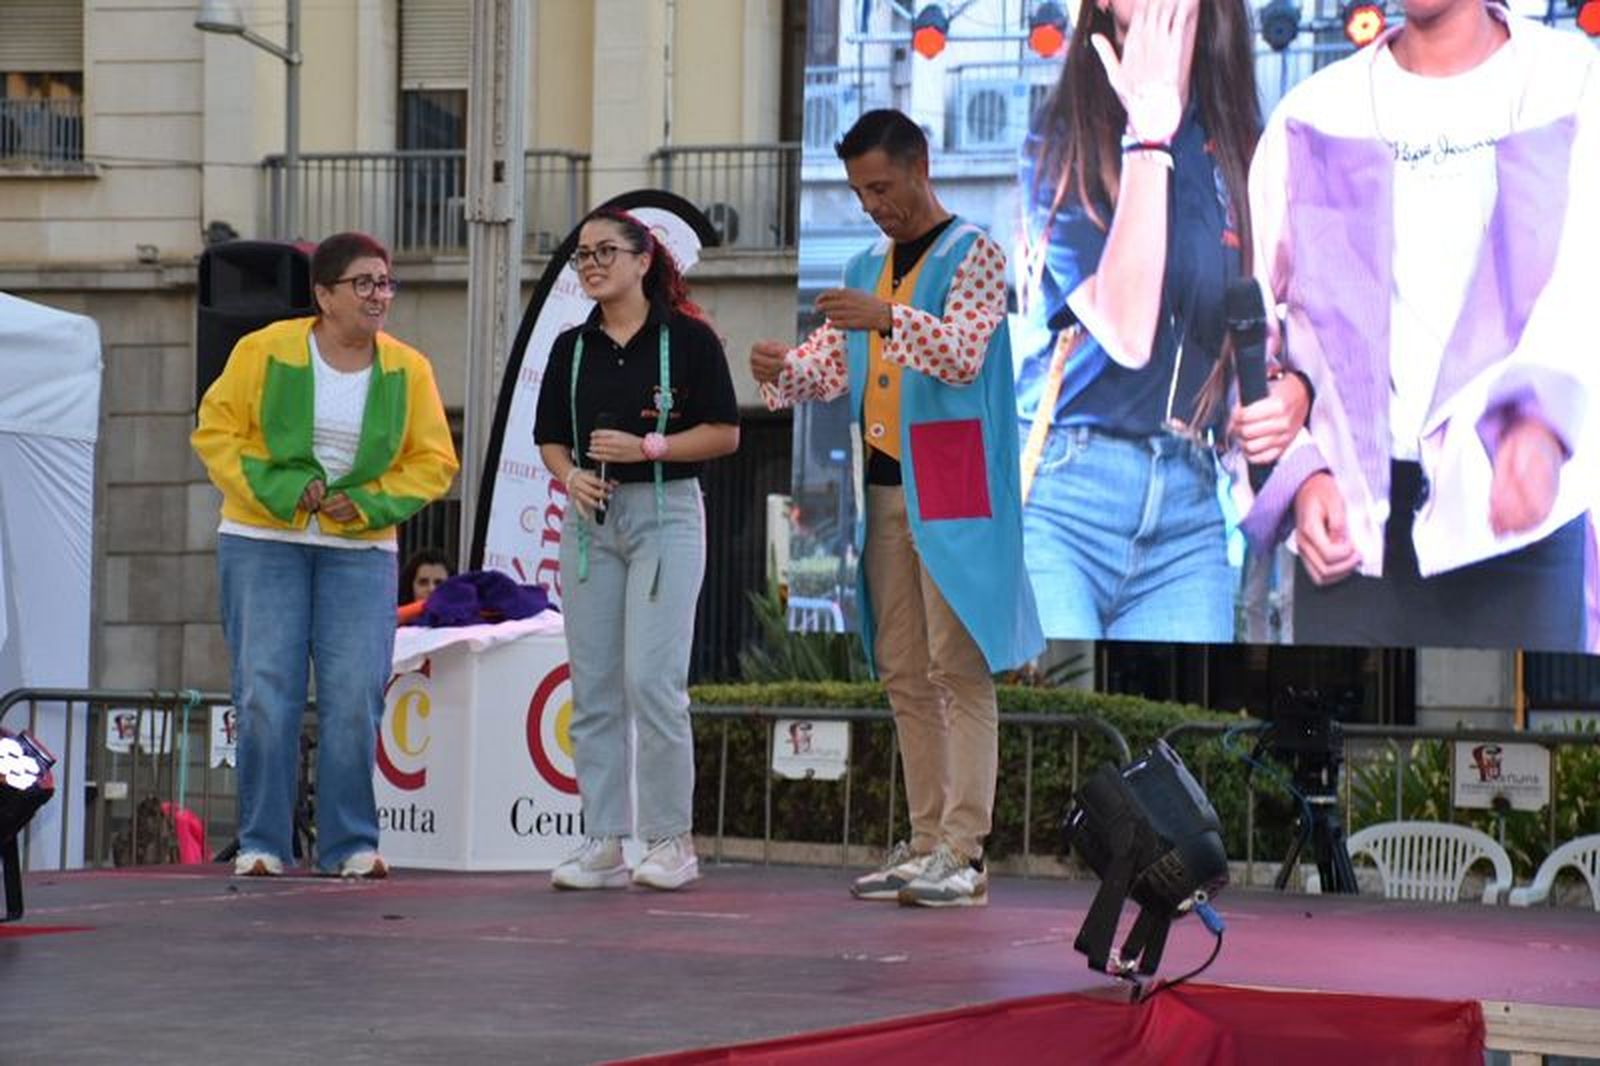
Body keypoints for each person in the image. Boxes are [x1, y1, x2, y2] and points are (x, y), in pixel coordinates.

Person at [750, 109, 1044, 908]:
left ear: (920, 166)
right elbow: (827, 369)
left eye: (881, 186)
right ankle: (923, 843)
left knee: (960, 666)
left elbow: (961, 354)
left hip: (951, 481)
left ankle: (966, 850)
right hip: (883, 483)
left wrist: (885, 318)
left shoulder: (975, 252)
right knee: (906, 672)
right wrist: (780, 368)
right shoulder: (862, 263)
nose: (872, 203)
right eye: (859, 191)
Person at [1240, 0, 1597, 651]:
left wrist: (1539, 424)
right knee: (1340, 751)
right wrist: (1302, 475)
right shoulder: (1315, 113)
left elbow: (1584, 284)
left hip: (1519, 522)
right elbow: (1252, 331)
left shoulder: (1570, 83)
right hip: (1350, 537)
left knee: (1525, 748)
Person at [1013, 0, 1307, 642]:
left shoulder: (1237, 146)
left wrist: (1283, 393)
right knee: (1060, 724)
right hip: (1067, 494)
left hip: (1190, 504)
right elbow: (1127, 327)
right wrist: (1148, 137)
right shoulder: (1061, 137)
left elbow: (1262, 320)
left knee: (1173, 724)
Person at [192, 231, 459, 878]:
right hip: (262, 541)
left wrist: (366, 502)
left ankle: (350, 845)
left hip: (360, 550)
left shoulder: (408, 367)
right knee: (264, 694)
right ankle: (261, 842)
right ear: (323, 295)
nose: (378, 296)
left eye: (385, 283)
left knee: (353, 696)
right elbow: (215, 430)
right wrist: (286, 490)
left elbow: (434, 462)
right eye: (363, 283)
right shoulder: (264, 351)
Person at [534, 207, 740, 892]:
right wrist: (570, 478)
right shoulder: (571, 347)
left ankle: (670, 839)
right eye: (581, 255)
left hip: (666, 511)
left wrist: (650, 446)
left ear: (643, 259)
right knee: (592, 688)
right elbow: (550, 439)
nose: (591, 264)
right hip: (593, 520)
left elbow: (725, 433)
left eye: (604, 252)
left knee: (653, 682)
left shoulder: (688, 339)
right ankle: (603, 839)